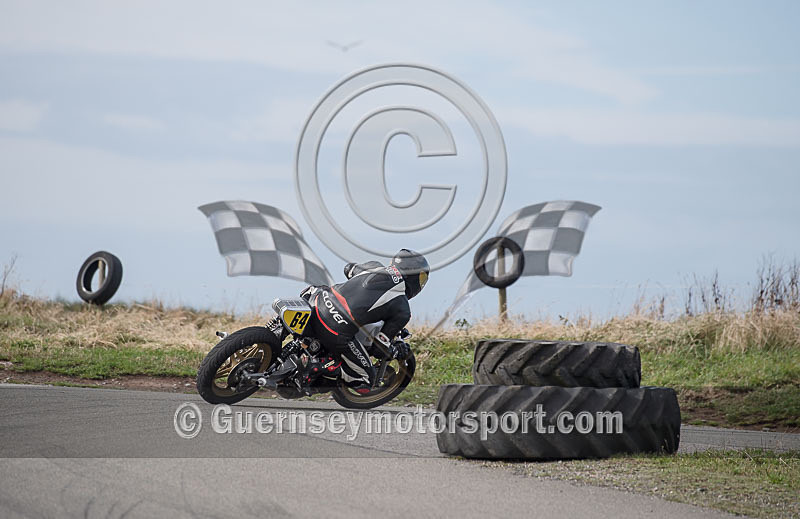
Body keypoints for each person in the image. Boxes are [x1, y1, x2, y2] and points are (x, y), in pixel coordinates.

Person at [299, 249, 429, 393]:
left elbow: (348, 268)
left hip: (317, 300)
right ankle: (318, 368)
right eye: (421, 278)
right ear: (412, 275)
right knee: (367, 379)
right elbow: (378, 350)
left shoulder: (374, 266)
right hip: (336, 329)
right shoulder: (403, 309)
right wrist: (395, 351)